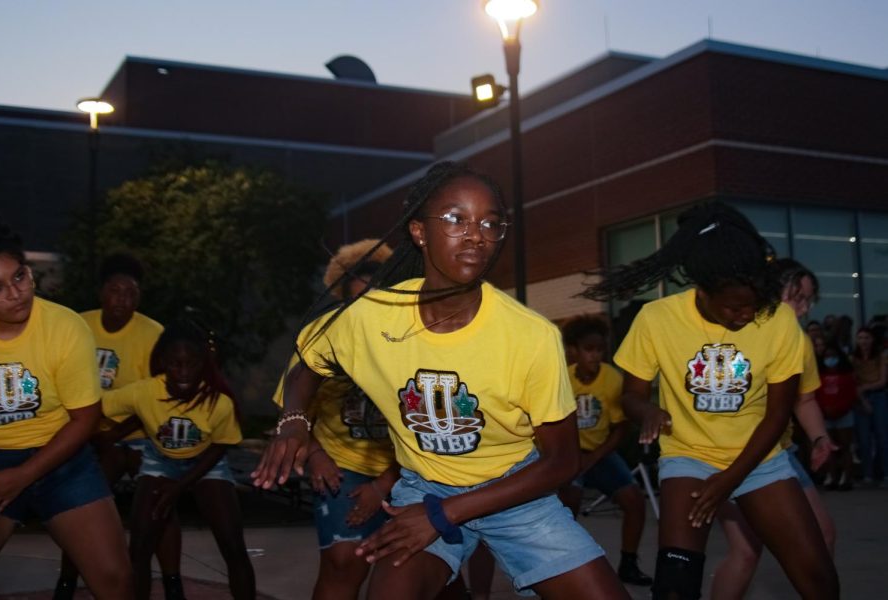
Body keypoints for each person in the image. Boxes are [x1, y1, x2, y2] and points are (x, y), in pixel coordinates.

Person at [253, 161, 629, 599]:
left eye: (491, 223)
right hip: (424, 486)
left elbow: (561, 462)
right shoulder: (369, 318)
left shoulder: (531, 335)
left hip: (514, 491)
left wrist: (444, 513)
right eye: (456, 219)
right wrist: (295, 420)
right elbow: (307, 364)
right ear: (419, 232)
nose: (476, 235)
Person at [582, 202, 839, 600]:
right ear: (701, 288)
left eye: (753, 305)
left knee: (818, 578)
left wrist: (729, 480)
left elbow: (777, 414)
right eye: (734, 307)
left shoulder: (778, 321)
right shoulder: (657, 319)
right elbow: (630, 396)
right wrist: (646, 409)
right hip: (688, 456)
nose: (745, 315)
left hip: (760, 459)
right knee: (675, 584)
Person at [0, 214, 133, 599]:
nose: (15, 293)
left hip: (62, 457)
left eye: (19, 276)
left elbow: (86, 419)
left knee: (116, 580)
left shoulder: (65, 327)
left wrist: (22, 476)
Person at [273, 239, 400, 600]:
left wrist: (383, 485)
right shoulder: (321, 335)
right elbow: (294, 412)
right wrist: (314, 455)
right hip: (342, 466)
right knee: (344, 561)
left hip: (407, 469)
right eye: (356, 300)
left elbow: (426, 427)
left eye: (377, 297)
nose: (367, 308)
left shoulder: (411, 337)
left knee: (422, 571)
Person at [54, 253, 183, 600]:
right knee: (80, 506)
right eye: (115, 290)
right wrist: (94, 434)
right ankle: (66, 581)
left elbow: (160, 397)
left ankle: (173, 583)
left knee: (160, 503)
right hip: (91, 434)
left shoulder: (153, 333)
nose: (123, 299)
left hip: (143, 435)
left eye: (131, 293)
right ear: (102, 293)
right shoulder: (78, 325)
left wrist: (115, 435)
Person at [710, 258, 837, 599]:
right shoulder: (741, 332)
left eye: (808, 300)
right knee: (746, 551)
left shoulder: (798, 340)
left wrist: (819, 437)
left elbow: (804, 399)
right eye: (796, 297)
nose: (803, 308)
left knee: (823, 535)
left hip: (780, 454)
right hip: (728, 453)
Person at [102, 318, 255, 599]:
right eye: (175, 364)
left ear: (204, 362)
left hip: (206, 463)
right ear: (162, 361)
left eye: (192, 364)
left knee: (233, 546)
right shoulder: (145, 391)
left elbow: (220, 447)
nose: (183, 372)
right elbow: (97, 405)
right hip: (160, 460)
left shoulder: (218, 401)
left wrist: (180, 486)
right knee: (139, 548)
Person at [556, 314, 653, 587]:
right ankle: (565, 568)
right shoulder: (562, 378)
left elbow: (620, 428)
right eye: (589, 349)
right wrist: (573, 460)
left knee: (634, 500)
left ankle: (629, 563)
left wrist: (595, 457)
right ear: (573, 350)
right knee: (569, 505)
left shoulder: (612, 378)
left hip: (599, 452)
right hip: (568, 454)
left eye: (600, 349)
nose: (595, 355)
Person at [817, 340, 857, 490]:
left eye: (833, 355)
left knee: (846, 447)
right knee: (830, 448)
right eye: (827, 355)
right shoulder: (819, 375)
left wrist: (839, 409)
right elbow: (816, 395)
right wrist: (824, 410)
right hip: (826, 415)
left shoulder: (847, 375)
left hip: (844, 415)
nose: (830, 358)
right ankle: (832, 477)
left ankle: (847, 478)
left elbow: (851, 395)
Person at [852, 326, 888, 486]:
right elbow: (853, 381)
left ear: (873, 339)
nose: (864, 341)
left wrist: (864, 388)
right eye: (861, 338)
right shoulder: (852, 358)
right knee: (864, 438)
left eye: (867, 338)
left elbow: (883, 380)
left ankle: (885, 473)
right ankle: (867, 474)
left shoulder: (881, 356)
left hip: (878, 396)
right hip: (860, 399)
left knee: (882, 436)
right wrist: (862, 398)